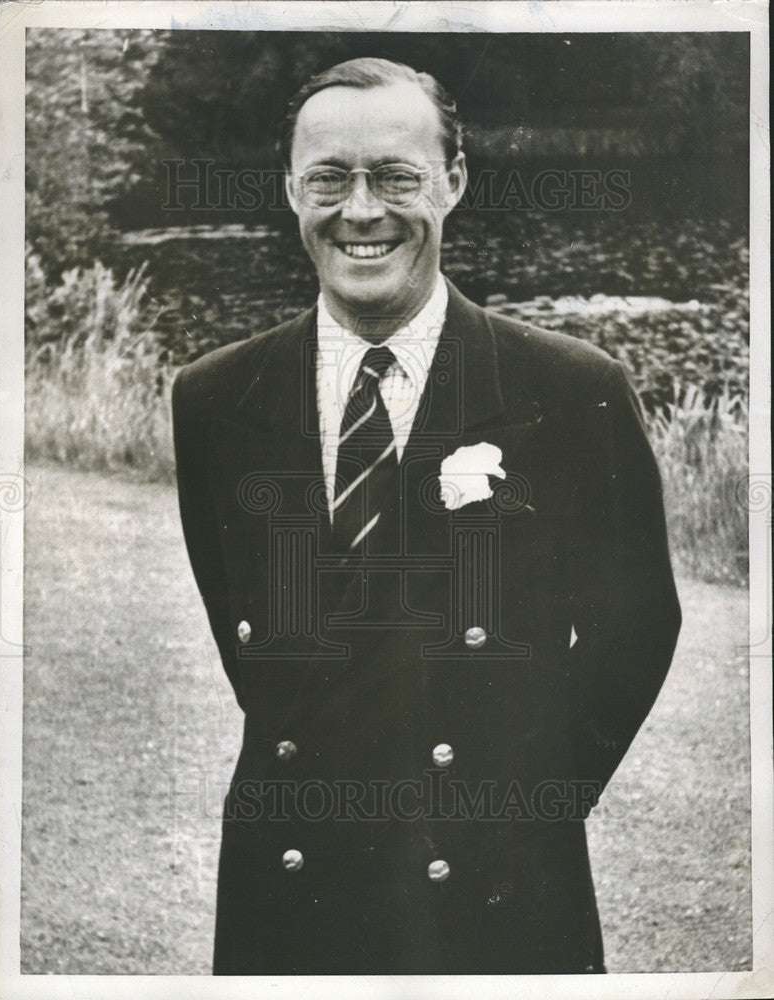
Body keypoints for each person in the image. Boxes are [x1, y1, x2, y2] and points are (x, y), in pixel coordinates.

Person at [172, 57, 681, 975]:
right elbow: (256, 648)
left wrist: (525, 808)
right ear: (291, 188)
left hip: (499, 895)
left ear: (453, 181)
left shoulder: (570, 392)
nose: (360, 210)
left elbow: (634, 629)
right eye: (328, 177)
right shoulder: (214, 400)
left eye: (396, 176)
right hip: (289, 888)